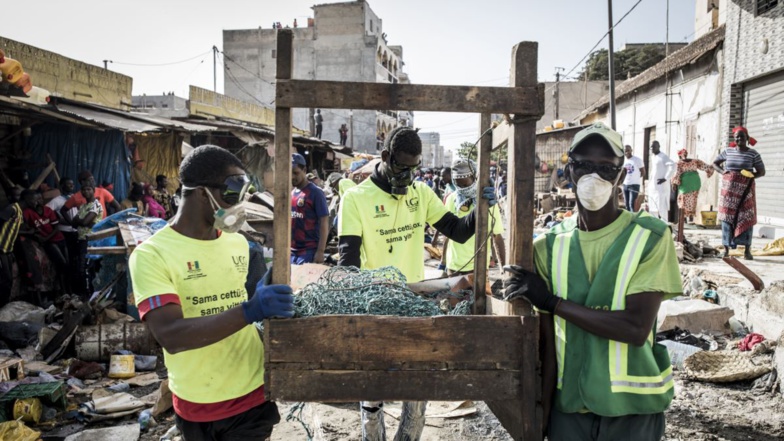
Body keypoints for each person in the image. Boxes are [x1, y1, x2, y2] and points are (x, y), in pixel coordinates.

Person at [504, 122, 681, 441]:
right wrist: (542, 419)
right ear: (568, 171)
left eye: (605, 168)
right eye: (583, 165)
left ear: (621, 176)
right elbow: (546, 347)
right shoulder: (549, 247)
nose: (593, 177)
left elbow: (635, 329)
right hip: (570, 411)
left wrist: (552, 303)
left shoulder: (651, 238)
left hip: (633, 413)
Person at [338, 126, 496, 441]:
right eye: (401, 167)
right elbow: (348, 262)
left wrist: (480, 207)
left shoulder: (420, 193)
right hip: (376, 305)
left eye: (414, 169)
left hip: (416, 303)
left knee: (416, 382)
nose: (407, 176)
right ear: (385, 158)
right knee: (373, 384)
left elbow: (458, 230)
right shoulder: (356, 199)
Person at [129, 145, 294, 441]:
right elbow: (171, 335)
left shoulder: (239, 244)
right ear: (200, 191)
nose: (240, 203)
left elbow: (253, 306)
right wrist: (249, 311)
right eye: (232, 192)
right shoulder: (151, 255)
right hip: (195, 403)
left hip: (251, 396)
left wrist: (264, 306)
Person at [439, 158, 506, 277]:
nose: (463, 188)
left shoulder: (488, 202)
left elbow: (496, 236)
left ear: (475, 178)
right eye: (459, 185)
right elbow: (447, 235)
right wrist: (443, 262)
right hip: (453, 267)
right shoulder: (451, 200)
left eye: (466, 184)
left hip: (478, 268)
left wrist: (503, 269)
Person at [713, 126, 765, 260]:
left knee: (746, 217)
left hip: (746, 191)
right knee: (726, 219)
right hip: (728, 192)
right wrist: (723, 172)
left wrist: (749, 175)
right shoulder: (728, 151)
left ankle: (747, 250)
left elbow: (761, 172)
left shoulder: (753, 154)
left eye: (742, 136)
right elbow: (715, 163)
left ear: (747, 138)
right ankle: (726, 249)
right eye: (736, 137)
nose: (739, 139)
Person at [21, 190, 70, 293]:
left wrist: (46, 238)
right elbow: (26, 227)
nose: (40, 201)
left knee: (66, 264)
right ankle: (63, 290)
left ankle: (65, 289)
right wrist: (39, 236)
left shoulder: (48, 210)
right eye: (37, 199)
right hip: (49, 243)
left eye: (41, 198)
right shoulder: (28, 213)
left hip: (59, 239)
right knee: (62, 263)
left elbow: (56, 227)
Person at [291, 154, 329, 264]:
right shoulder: (292, 194)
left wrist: (320, 251)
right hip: (292, 252)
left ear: (304, 170)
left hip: (309, 251)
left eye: (296, 173)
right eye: (290, 173)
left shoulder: (315, 193)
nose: (292, 176)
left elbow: (324, 222)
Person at [46, 177, 79, 293]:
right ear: (61, 186)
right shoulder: (57, 200)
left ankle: (75, 288)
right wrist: (59, 220)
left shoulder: (76, 198)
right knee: (66, 262)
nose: (71, 186)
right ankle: (65, 289)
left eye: (72, 184)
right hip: (64, 232)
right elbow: (47, 213)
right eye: (68, 184)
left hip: (75, 232)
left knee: (76, 261)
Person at [70, 183, 103, 297]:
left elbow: (83, 222)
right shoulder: (84, 206)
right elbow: (74, 223)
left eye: (88, 189)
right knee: (82, 267)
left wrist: (82, 221)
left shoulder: (96, 205)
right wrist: (83, 222)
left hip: (91, 240)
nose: (86, 192)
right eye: (83, 189)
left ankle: (88, 294)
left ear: (94, 190)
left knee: (86, 268)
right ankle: (87, 292)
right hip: (81, 239)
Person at [672, 149, 714, 223]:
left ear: (679, 156)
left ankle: (684, 220)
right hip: (695, 182)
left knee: (682, 200)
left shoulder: (679, 163)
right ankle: (691, 218)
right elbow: (706, 167)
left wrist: (674, 183)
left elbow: (677, 173)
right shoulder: (695, 161)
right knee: (693, 200)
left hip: (686, 183)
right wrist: (711, 169)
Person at [0, 186, 23, 307]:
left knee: (8, 279)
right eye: (17, 195)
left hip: (7, 249)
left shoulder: (19, 210)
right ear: (10, 197)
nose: (19, 197)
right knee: (6, 279)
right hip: (1, 248)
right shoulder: (11, 209)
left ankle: (5, 304)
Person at [646, 141, 676, 221]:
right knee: (653, 207)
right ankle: (654, 224)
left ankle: (664, 224)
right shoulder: (653, 156)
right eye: (651, 147)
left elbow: (673, 165)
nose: (652, 148)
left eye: (654, 147)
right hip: (653, 187)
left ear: (658, 147)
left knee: (662, 207)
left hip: (661, 187)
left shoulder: (663, 156)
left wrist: (666, 178)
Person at [622, 145, 645, 212]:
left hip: (634, 185)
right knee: (626, 204)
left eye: (628, 150)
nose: (626, 152)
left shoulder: (637, 160)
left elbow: (643, 172)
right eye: (625, 151)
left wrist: (635, 178)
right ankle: (629, 220)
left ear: (631, 150)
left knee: (632, 204)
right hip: (625, 184)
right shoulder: (624, 161)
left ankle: (634, 219)